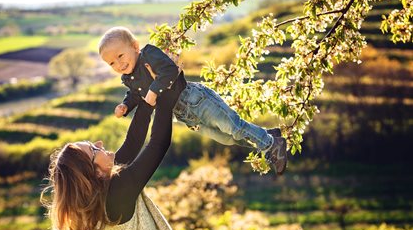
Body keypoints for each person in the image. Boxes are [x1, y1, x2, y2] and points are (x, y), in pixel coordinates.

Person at [40, 64, 210, 230]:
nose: (100, 143)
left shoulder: (100, 194)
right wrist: (167, 89)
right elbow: (158, 143)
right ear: (94, 172)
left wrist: (150, 95)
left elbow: (133, 143)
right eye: (94, 149)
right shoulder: (117, 193)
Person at [99, 26, 288, 175]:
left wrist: (154, 91)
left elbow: (170, 71)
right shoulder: (128, 78)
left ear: (134, 46)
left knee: (234, 127)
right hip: (185, 116)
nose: (119, 64)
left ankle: (272, 145)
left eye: (120, 56)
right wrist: (126, 105)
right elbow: (134, 94)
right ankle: (268, 136)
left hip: (196, 99)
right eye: (112, 63)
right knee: (227, 138)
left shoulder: (149, 54)